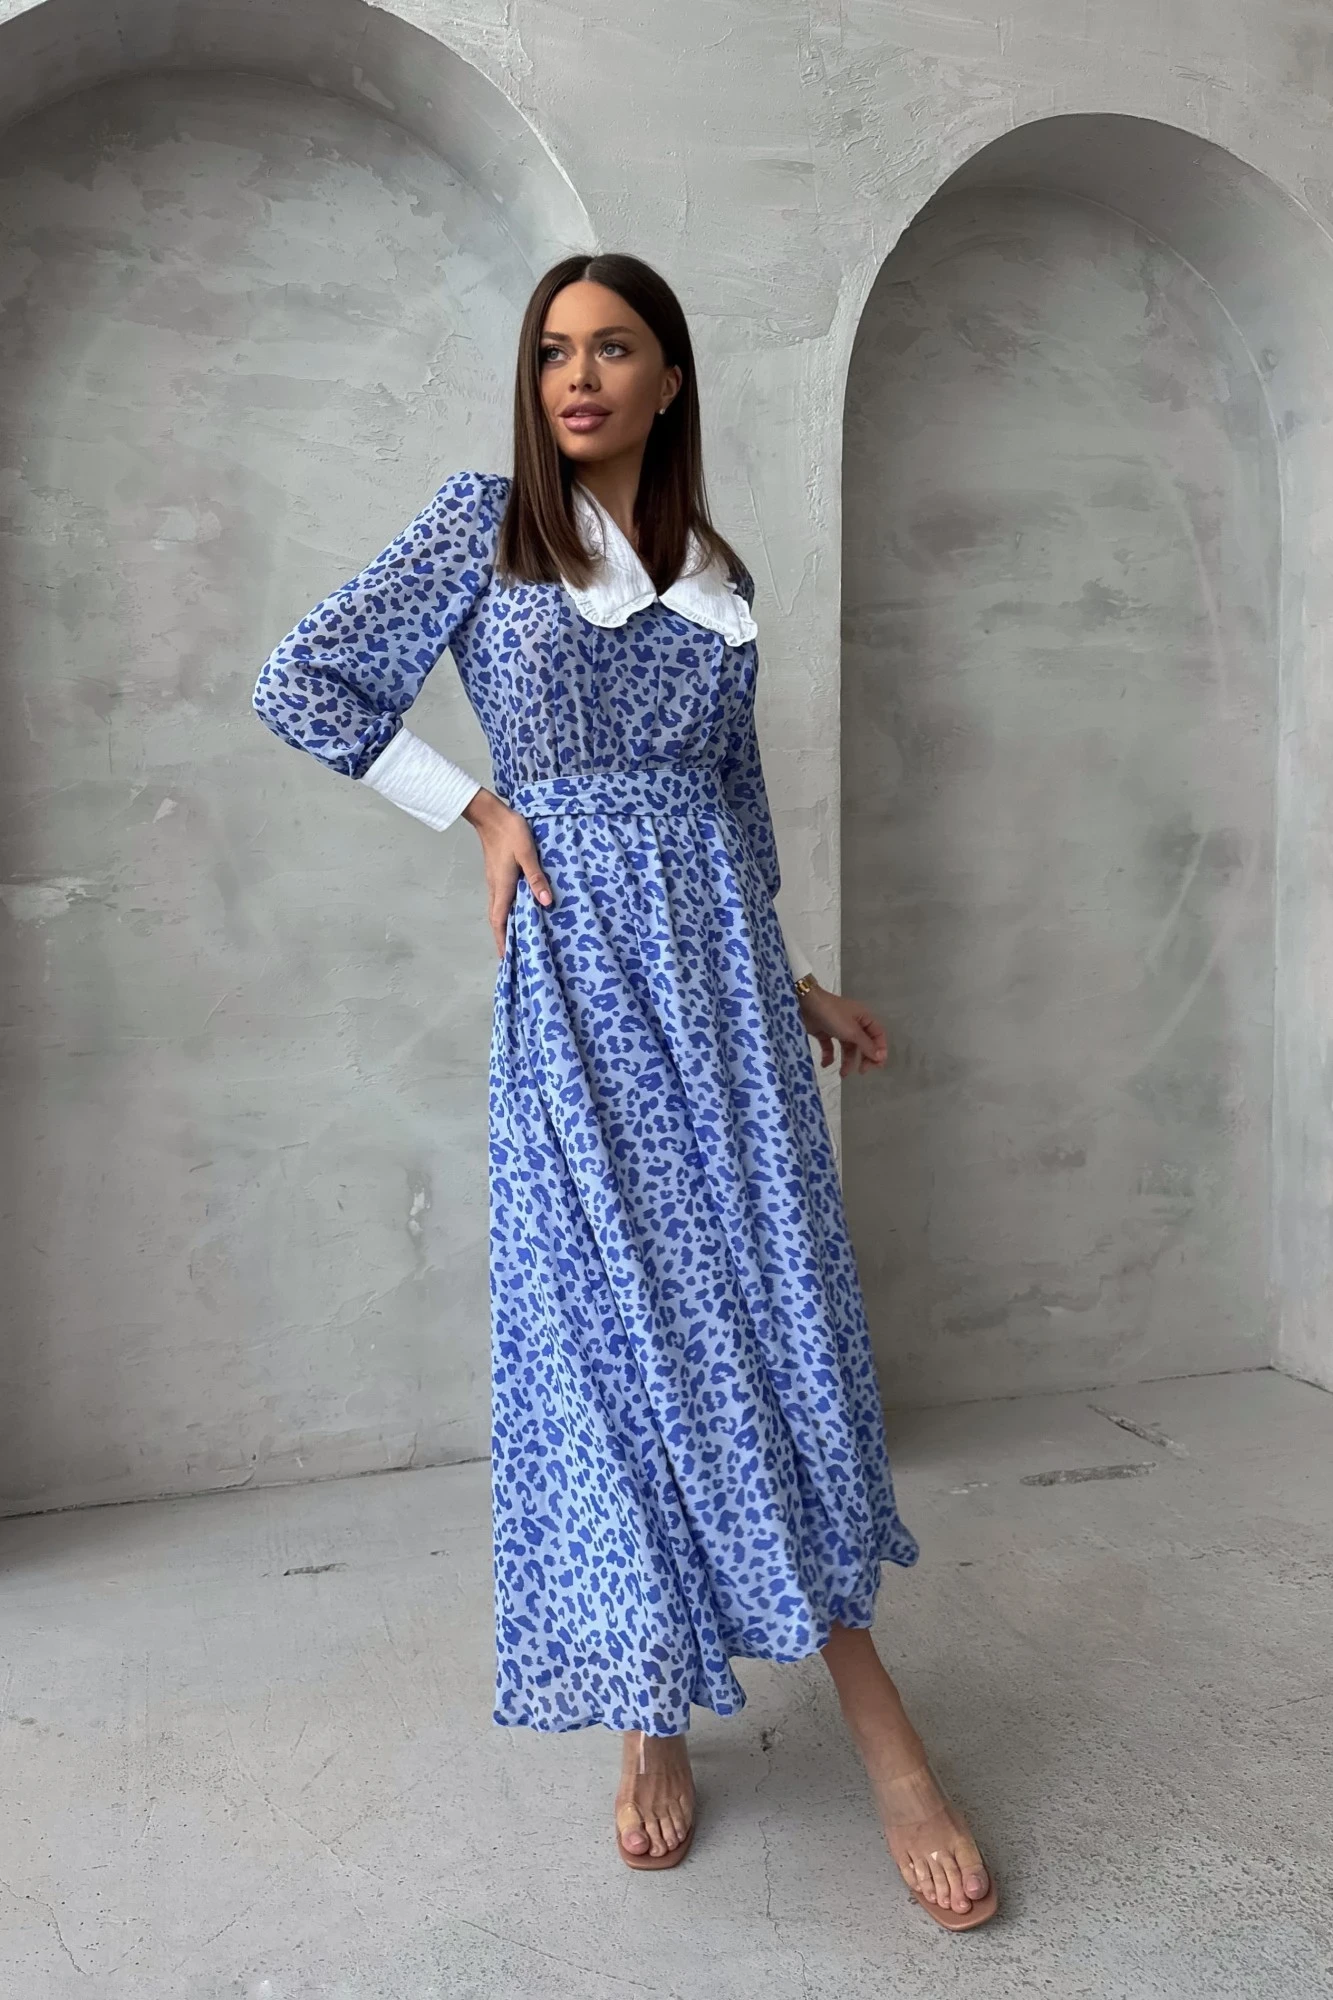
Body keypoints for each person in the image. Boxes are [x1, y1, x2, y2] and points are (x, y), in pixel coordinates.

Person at [252, 252, 997, 1930]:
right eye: (552, 351)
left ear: (670, 380)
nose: (576, 377)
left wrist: (796, 985)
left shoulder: (721, 579)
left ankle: (870, 1721)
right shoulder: (483, 527)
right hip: (579, 985)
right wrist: (480, 812)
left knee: (768, 1326)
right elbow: (302, 680)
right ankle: (651, 1708)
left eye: (611, 349)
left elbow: (736, 813)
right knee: (619, 1334)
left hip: (726, 1001)